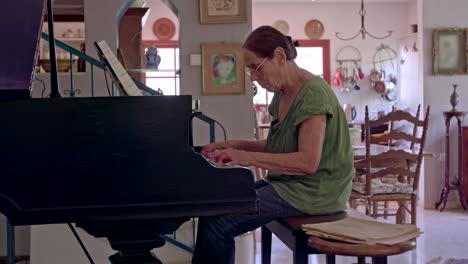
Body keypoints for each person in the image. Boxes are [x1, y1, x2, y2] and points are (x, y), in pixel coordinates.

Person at [192, 25, 354, 264]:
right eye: (250, 71)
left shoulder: (313, 94)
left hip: (316, 192)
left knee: (220, 222)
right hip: (291, 186)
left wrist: (245, 158)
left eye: (256, 68)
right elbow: (278, 146)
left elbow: (307, 163)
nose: (254, 78)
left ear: (279, 56)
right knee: (216, 206)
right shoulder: (283, 92)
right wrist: (233, 145)